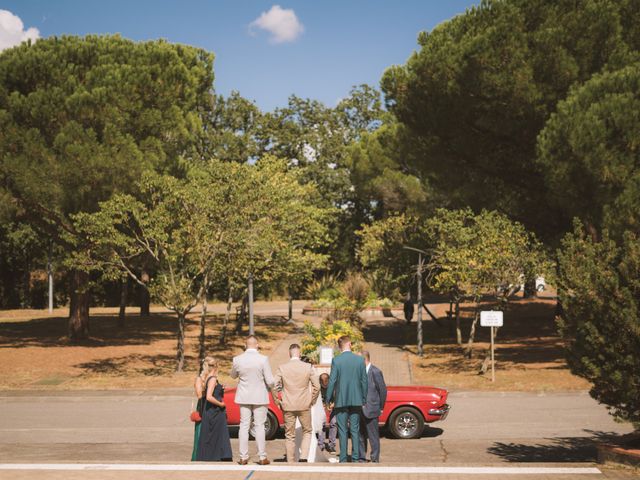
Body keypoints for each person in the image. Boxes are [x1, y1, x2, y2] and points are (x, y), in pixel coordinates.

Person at [230, 335, 275, 465]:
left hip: (244, 396)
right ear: (257, 344)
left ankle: (243, 457)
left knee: (244, 425)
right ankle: (262, 457)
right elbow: (270, 381)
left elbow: (233, 375)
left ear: (245, 345)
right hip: (260, 396)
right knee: (259, 426)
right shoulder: (263, 359)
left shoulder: (237, 359)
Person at [273, 344, 320, 463]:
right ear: (299, 353)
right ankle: (304, 457)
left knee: (289, 435)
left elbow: (274, 385)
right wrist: (312, 400)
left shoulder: (282, 367)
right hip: (304, 404)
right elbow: (317, 386)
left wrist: (277, 401)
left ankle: (290, 460)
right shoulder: (308, 367)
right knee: (307, 431)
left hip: (288, 405)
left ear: (290, 354)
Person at [325, 335, 368, 463]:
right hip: (356, 399)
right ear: (349, 344)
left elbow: (331, 381)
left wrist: (328, 399)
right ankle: (355, 458)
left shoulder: (336, 361)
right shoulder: (360, 360)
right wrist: (364, 398)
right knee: (355, 429)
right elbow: (364, 381)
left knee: (342, 430)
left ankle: (343, 458)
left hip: (341, 399)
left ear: (340, 346)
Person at [195, 357, 233, 461]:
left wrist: (221, 388)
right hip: (215, 412)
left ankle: (214, 456)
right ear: (215, 366)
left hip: (212, 411)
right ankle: (219, 457)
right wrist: (221, 404)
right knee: (217, 435)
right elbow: (209, 397)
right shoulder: (212, 379)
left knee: (213, 436)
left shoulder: (209, 378)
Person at [358, 350, 387, 463]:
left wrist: (381, 407)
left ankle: (374, 458)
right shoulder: (358, 372)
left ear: (364, 359)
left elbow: (383, 391)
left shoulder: (375, 371)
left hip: (372, 409)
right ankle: (361, 457)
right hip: (359, 409)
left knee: (373, 436)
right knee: (360, 436)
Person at [191, 356, 213, 461]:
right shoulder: (199, 379)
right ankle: (198, 457)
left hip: (210, 407)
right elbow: (199, 395)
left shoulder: (211, 378)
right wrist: (206, 389)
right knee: (200, 433)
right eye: (210, 366)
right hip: (202, 407)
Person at [317, 372, 337, 453]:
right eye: (323, 385)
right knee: (321, 425)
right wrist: (323, 406)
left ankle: (331, 445)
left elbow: (338, 397)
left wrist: (333, 405)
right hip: (322, 408)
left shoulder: (334, 386)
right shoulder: (318, 387)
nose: (325, 386)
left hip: (333, 407)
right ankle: (320, 445)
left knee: (334, 423)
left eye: (326, 384)